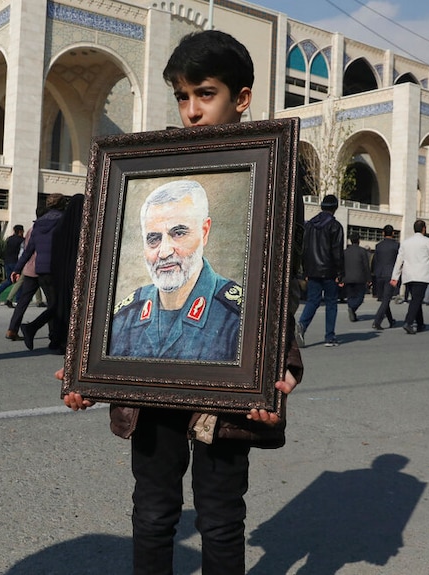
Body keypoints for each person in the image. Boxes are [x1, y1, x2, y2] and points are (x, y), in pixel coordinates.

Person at [59, 30, 303, 575]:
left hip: (227, 393)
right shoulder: (145, 162)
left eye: (206, 94)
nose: (192, 111)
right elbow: (96, 273)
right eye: (182, 96)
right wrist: (84, 366)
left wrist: (279, 367)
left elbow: (283, 280)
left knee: (219, 517)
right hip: (150, 399)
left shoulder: (274, 174)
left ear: (242, 98)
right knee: (151, 512)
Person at [110, 179, 241, 360]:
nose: (164, 252)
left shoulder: (238, 318)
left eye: (178, 233)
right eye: (153, 239)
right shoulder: (124, 317)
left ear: (204, 232)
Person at [11, 194, 66, 350]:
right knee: (57, 305)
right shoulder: (63, 221)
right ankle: (42, 333)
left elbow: (29, 250)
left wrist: (17, 269)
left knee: (54, 304)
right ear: (62, 205)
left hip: (41, 270)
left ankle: (53, 338)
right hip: (57, 270)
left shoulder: (38, 224)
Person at [296, 194, 344, 347]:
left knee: (312, 301)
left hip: (312, 270)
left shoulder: (309, 225)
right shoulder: (335, 226)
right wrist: (340, 273)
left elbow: (304, 249)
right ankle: (330, 337)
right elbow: (337, 252)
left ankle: (302, 325)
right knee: (331, 303)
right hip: (329, 271)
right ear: (335, 208)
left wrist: (305, 271)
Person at [390, 219, 429, 334]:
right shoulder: (428, 242)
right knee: (416, 300)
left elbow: (399, 261)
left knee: (415, 299)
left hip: (408, 276)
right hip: (421, 276)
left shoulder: (405, 242)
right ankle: (408, 322)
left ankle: (420, 324)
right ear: (424, 229)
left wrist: (395, 277)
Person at [49, 193, 85, 354]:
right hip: (76, 275)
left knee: (60, 306)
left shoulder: (58, 230)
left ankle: (57, 340)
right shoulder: (84, 230)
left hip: (58, 274)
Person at [372, 224, 399, 330]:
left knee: (384, 298)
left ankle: (391, 320)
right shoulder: (396, 246)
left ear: (383, 233)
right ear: (393, 233)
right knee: (386, 299)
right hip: (390, 275)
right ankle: (377, 321)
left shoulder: (378, 246)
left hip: (379, 274)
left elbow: (376, 261)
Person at [0, 224, 24, 305]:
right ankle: (17, 300)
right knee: (19, 281)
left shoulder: (9, 239)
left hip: (7, 262)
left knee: (10, 280)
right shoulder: (21, 240)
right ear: (20, 231)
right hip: (15, 262)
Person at [342, 232, 371, 322]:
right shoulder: (362, 251)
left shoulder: (345, 252)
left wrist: (341, 278)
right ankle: (352, 308)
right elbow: (366, 266)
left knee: (350, 296)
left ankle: (352, 311)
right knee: (360, 297)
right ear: (358, 240)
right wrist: (369, 279)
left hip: (347, 278)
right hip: (359, 278)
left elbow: (341, 265)